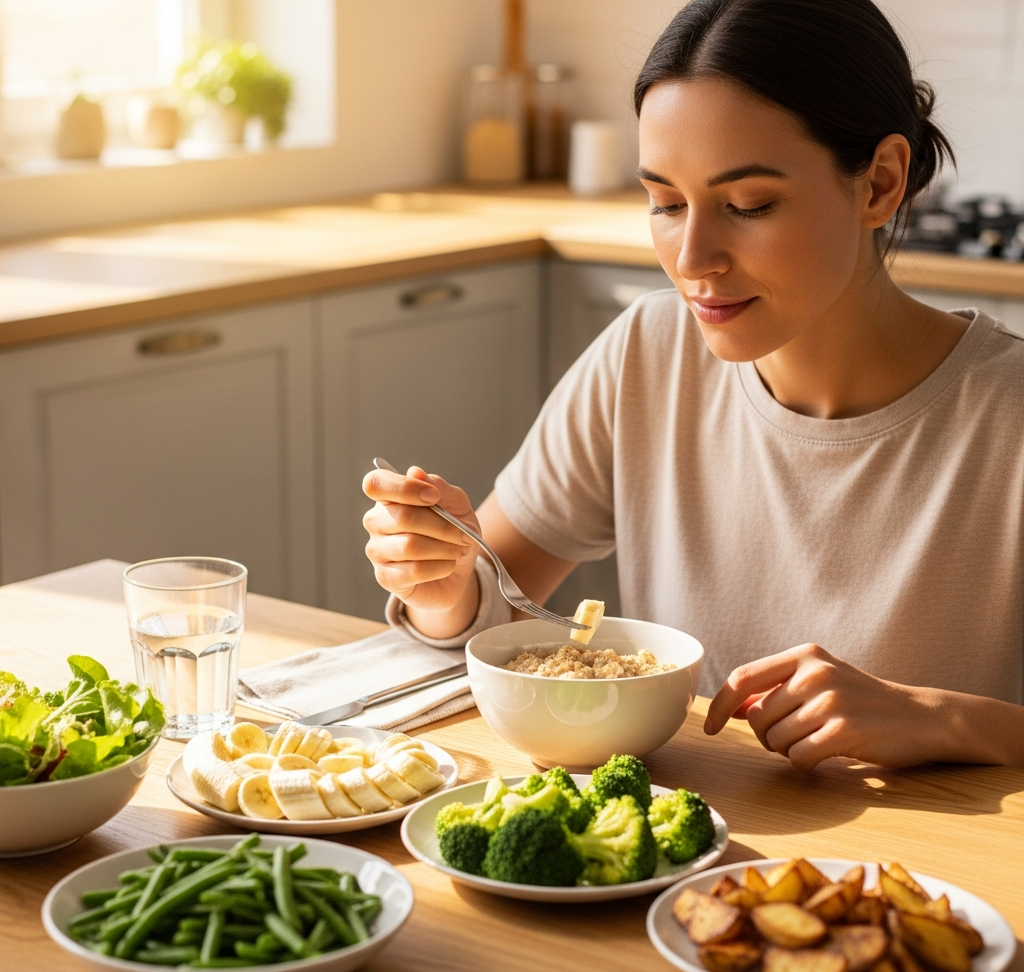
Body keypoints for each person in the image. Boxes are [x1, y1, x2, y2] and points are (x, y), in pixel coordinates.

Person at [362, 0, 1024, 771]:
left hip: (931, 881)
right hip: (682, 869)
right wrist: (442, 590)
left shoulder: (1007, 419)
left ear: (879, 183)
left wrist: (944, 719)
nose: (692, 258)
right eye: (667, 204)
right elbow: (491, 610)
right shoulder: (648, 352)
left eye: (747, 205)